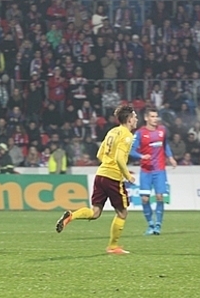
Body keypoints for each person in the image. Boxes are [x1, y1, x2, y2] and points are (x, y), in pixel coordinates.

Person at [54, 105, 138, 255]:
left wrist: (108, 164)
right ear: (129, 119)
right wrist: (127, 176)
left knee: (95, 212)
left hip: (100, 175)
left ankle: (71, 216)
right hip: (113, 177)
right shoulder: (127, 136)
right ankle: (113, 247)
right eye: (135, 116)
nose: (137, 119)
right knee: (122, 213)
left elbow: (100, 154)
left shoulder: (112, 131)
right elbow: (119, 158)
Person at [129, 107, 177, 235]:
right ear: (146, 118)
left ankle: (158, 225)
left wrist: (170, 157)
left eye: (156, 116)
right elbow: (131, 150)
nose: (155, 119)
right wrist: (141, 156)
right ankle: (150, 224)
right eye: (152, 116)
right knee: (145, 199)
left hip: (159, 169)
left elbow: (165, 145)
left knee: (159, 197)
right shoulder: (140, 133)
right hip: (146, 170)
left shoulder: (162, 130)